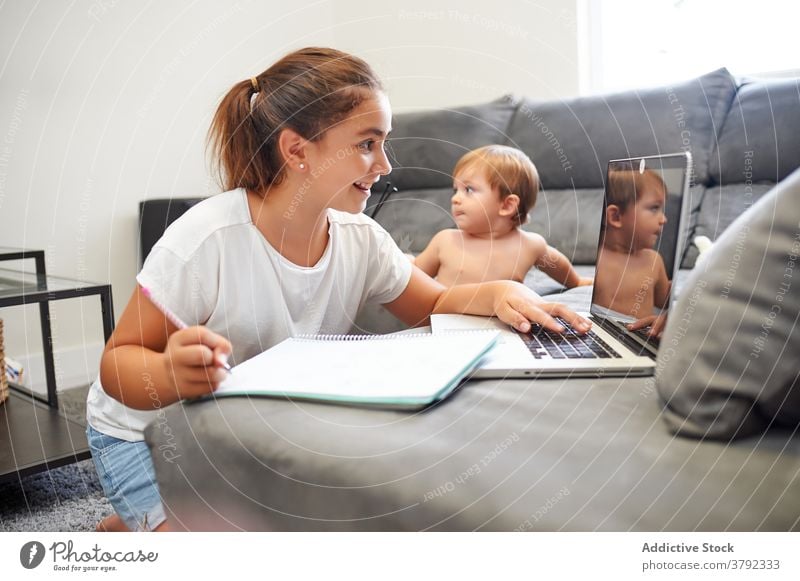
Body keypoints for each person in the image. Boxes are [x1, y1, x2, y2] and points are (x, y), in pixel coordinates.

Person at [86, 47, 591, 532]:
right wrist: (169, 373)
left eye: (384, 143)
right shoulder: (206, 240)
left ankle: (135, 526)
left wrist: (498, 291)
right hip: (148, 434)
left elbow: (432, 304)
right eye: (367, 144)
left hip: (248, 430)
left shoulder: (360, 239)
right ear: (297, 150)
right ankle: (133, 528)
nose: (386, 164)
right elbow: (117, 365)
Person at [413, 145, 593, 289]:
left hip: (504, 329)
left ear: (507, 205)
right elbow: (413, 278)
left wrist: (575, 282)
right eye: (455, 190)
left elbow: (558, 265)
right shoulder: (445, 241)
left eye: (468, 190)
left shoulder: (530, 245)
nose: (455, 198)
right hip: (448, 327)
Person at [592, 167, 671, 337]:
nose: (663, 219)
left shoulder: (654, 261)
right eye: (654, 208)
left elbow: (665, 301)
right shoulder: (598, 260)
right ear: (616, 217)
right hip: (602, 338)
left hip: (642, 342)